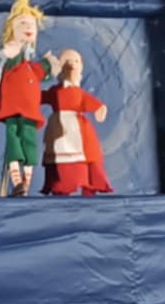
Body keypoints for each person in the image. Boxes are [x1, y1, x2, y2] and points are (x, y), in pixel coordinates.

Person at [0, 0, 60, 197]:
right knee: (14, 141)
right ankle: (16, 180)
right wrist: (13, 48)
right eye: (22, 23)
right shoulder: (13, 60)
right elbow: (9, 57)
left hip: (29, 111)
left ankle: (25, 184)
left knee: (29, 143)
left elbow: (43, 71)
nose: (28, 27)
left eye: (31, 24)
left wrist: (50, 63)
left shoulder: (30, 66)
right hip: (13, 109)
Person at [40, 49, 112, 196]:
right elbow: (41, 97)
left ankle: (86, 184)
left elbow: (89, 101)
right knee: (59, 157)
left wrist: (99, 108)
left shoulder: (78, 92)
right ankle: (61, 185)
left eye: (75, 61)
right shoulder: (55, 91)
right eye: (67, 61)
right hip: (58, 129)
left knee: (85, 154)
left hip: (77, 130)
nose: (71, 64)